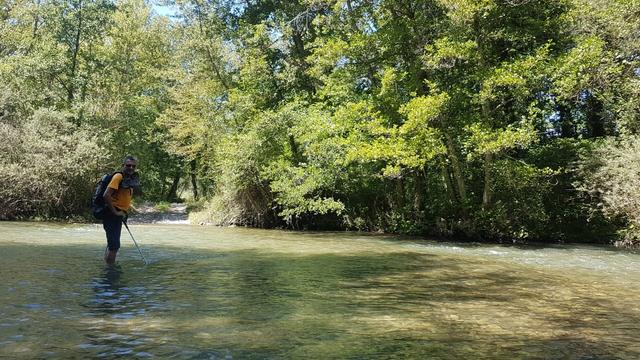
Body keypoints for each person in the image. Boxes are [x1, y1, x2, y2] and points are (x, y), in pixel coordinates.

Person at [103, 156, 140, 265]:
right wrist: (115, 212)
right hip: (111, 214)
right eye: (128, 165)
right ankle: (110, 274)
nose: (131, 168)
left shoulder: (130, 179)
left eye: (133, 166)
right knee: (114, 246)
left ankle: (108, 267)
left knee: (112, 244)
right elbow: (106, 195)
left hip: (119, 214)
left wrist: (123, 212)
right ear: (123, 165)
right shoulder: (118, 176)